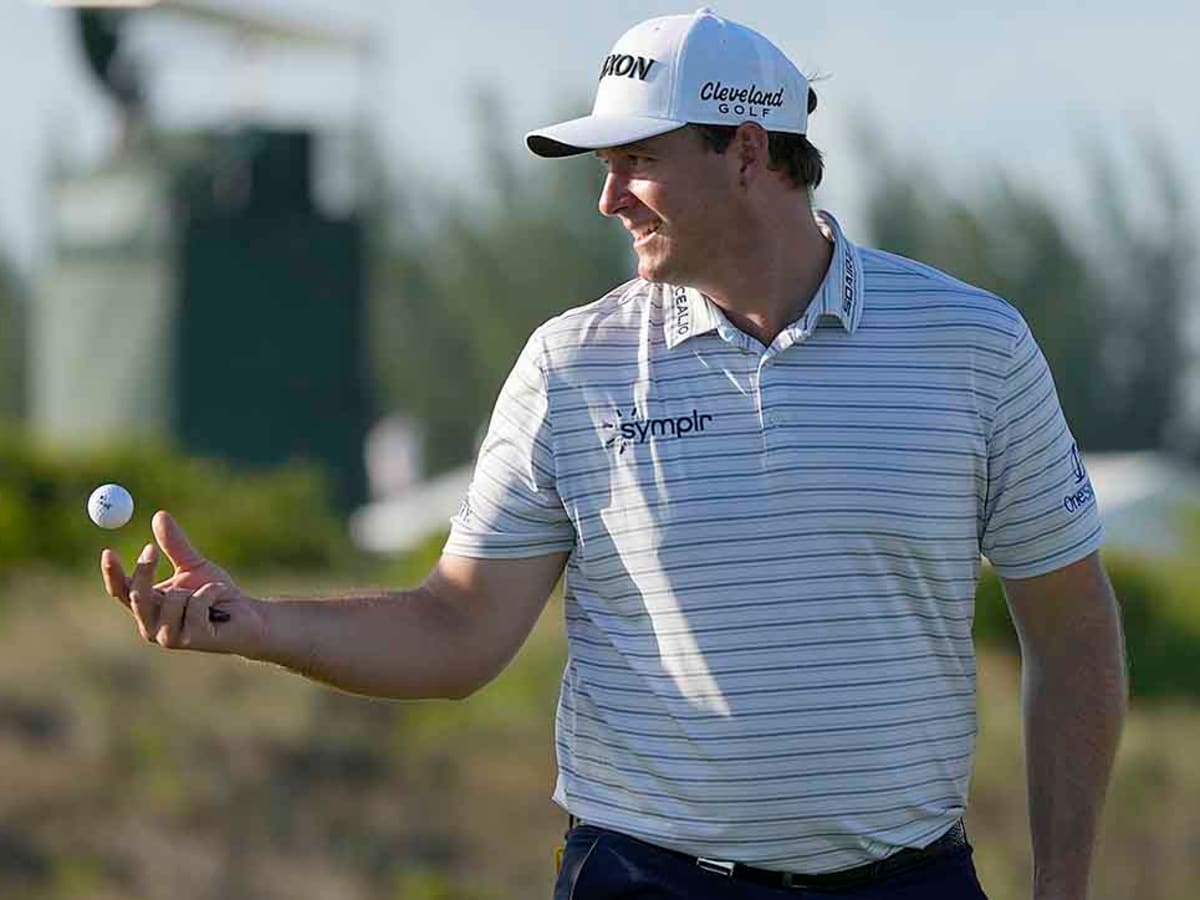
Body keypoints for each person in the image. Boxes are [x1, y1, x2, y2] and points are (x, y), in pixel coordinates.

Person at [100, 9, 1127, 899]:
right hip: (650, 882)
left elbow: (1074, 632)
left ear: (746, 150)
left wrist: (1063, 890)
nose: (610, 198)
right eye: (606, 168)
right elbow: (458, 628)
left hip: (908, 884)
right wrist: (263, 623)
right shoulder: (571, 365)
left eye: (638, 161)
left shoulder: (974, 346)